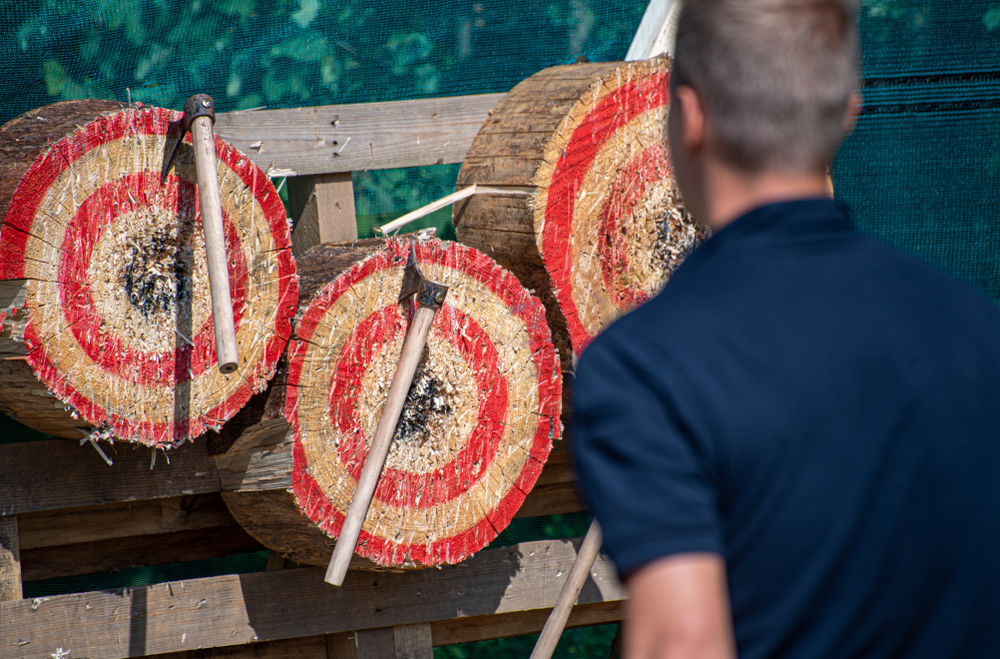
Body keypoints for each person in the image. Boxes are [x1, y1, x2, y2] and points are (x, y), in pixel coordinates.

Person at [570, 1, 1000, 657]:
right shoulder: (977, 330)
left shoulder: (641, 368)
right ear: (847, 110)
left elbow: (683, 639)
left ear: (689, 117)